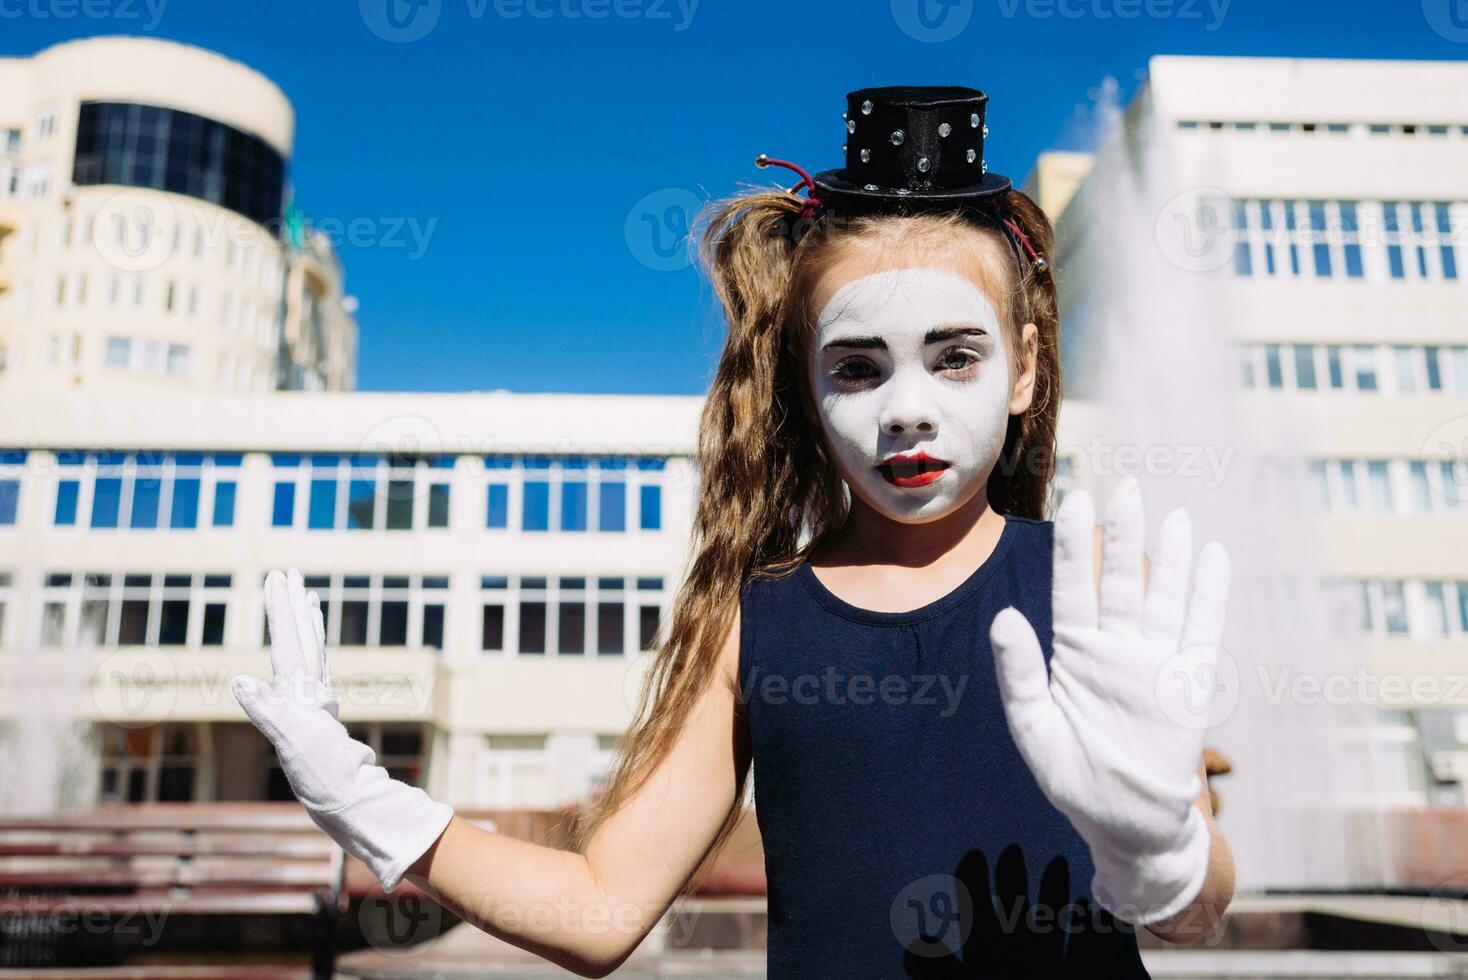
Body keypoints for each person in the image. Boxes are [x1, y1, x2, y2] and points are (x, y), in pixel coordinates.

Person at [233, 85, 1234, 978]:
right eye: (857, 365)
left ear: (1021, 369)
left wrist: (1162, 853)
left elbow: (1196, 912)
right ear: (803, 381)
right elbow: (598, 905)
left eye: (954, 356)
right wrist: (363, 799)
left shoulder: (1100, 589)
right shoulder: (756, 626)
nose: (906, 411)